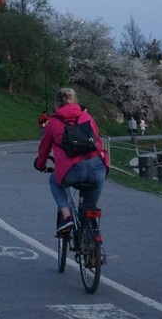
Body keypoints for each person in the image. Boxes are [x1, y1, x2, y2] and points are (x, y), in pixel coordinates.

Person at [34, 88, 110, 233]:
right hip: (97, 168)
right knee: (89, 209)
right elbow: (97, 142)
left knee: (54, 181)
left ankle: (67, 216)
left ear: (57, 103)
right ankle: (93, 243)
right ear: (75, 101)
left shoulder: (53, 123)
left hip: (71, 171)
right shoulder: (87, 117)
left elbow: (44, 148)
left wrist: (40, 165)